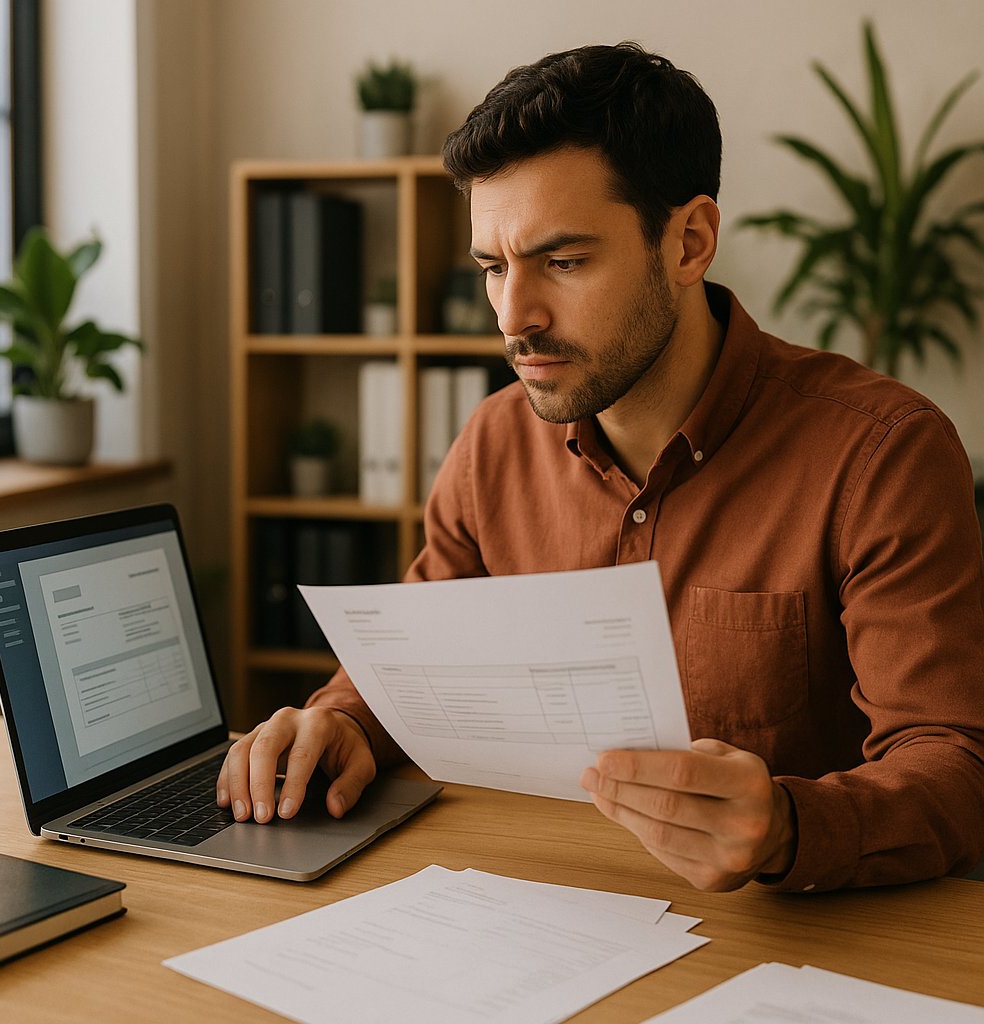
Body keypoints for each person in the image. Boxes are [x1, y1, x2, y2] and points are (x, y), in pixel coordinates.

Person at [218, 42, 984, 893]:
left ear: (689, 242)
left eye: (564, 262)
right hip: (534, 919)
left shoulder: (881, 455)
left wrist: (788, 829)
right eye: (492, 268)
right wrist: (342, 722)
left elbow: (954, 765)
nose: (516, 317)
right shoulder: (493, 445)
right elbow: (409, 668)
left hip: (786, 948)